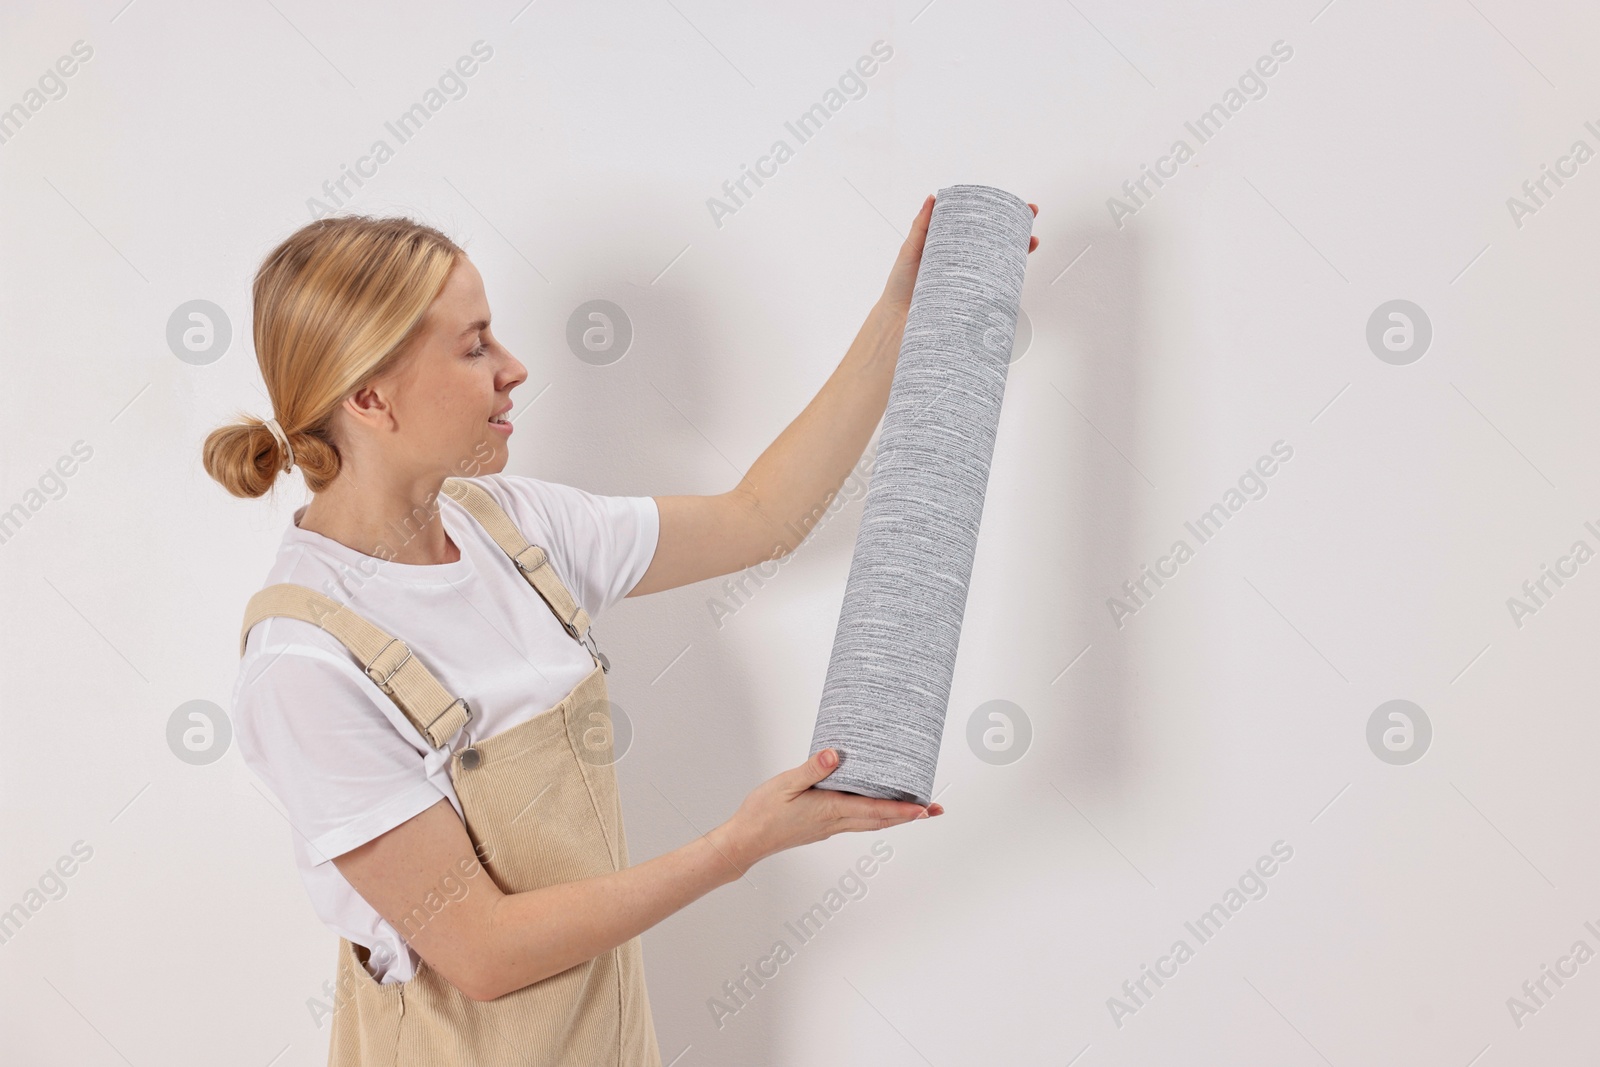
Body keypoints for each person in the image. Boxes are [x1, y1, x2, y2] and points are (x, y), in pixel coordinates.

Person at [204, 196, 1038, 1065]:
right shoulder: (306, 661)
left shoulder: (512, 529)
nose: (514, 366)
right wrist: (739, 847)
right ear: (371, 396)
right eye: (475, 342)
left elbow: (761, 516)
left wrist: (899, 311)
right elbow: (483, 951)